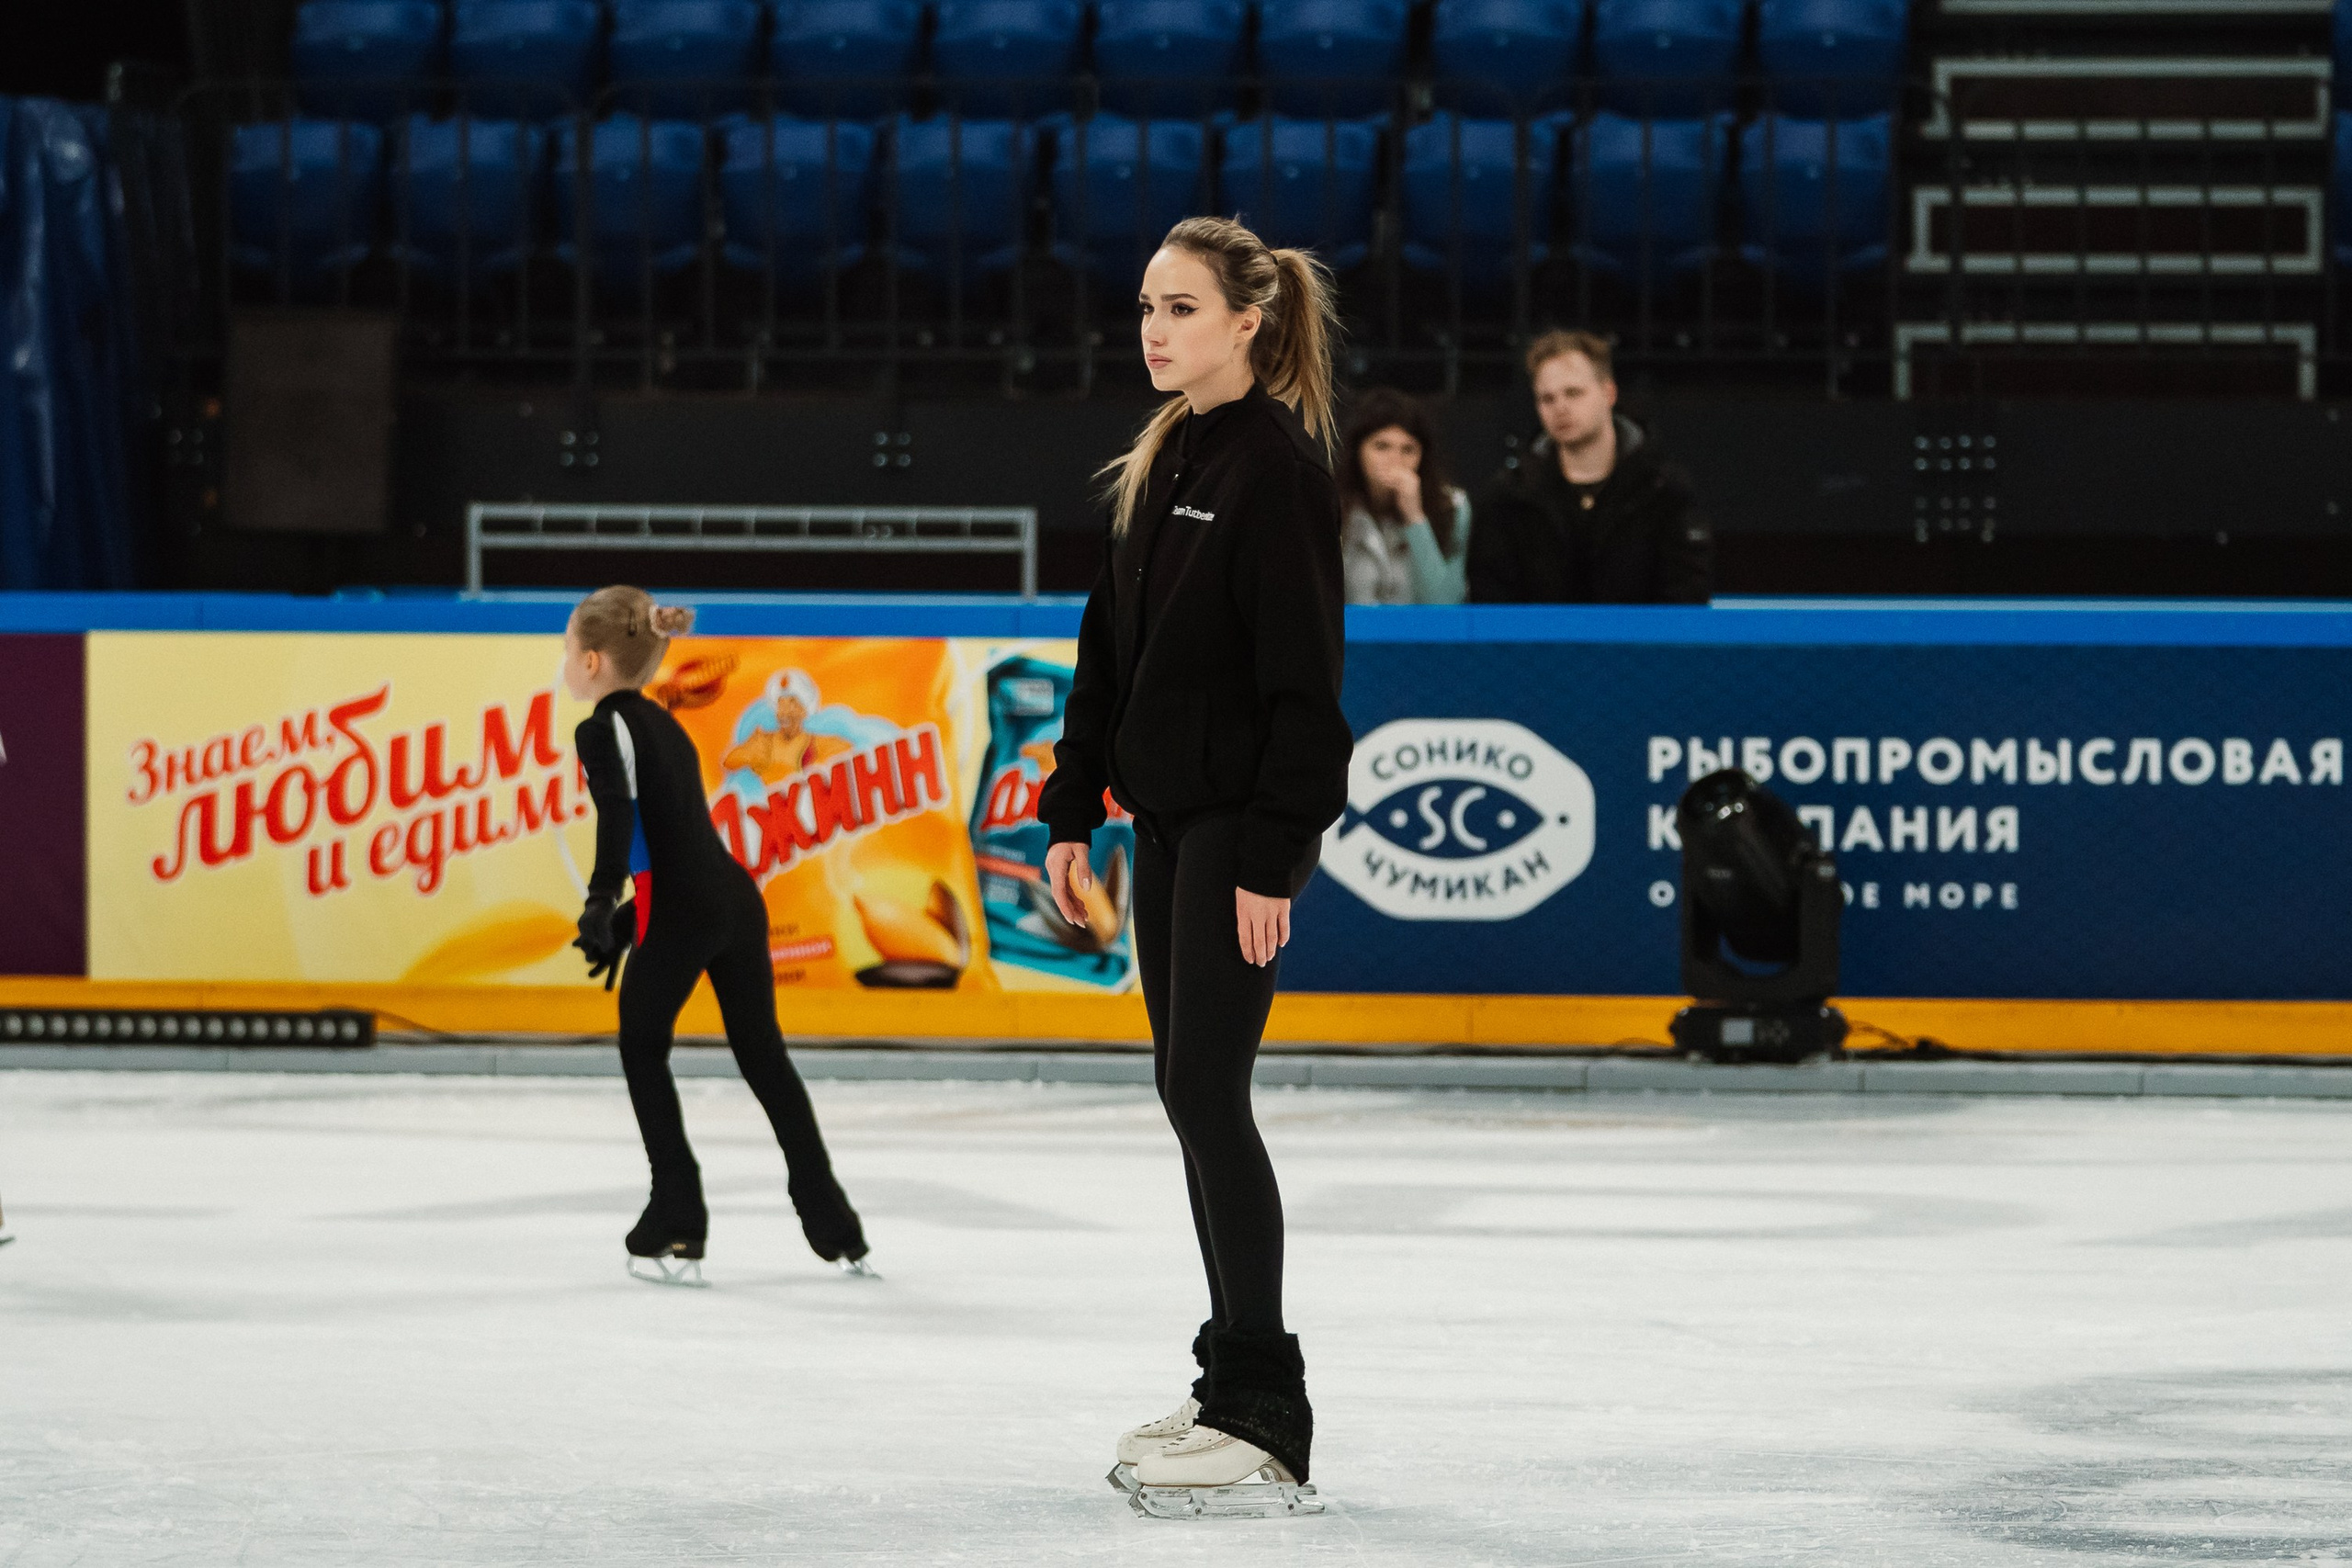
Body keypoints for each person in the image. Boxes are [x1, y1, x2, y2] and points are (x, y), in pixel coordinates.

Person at [1037, 216, 1351, 1516]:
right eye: (1147, 306)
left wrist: (1275, 856)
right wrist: (1069, 804)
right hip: (1163, 826)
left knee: (1210, 1094)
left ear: (1248, 323)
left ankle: (1267, 1410)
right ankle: (1229, 1379)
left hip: (1236, 834)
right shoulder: (1166, 453)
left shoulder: (1275, 468)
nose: (1154, 328)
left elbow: (1305, 684)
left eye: (1180, 307)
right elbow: (1107, 649)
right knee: (1184, 1089)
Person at [562, 587, 873, 1286]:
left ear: (590, 660)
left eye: (565, 651)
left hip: (684, 906)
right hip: (732, 898)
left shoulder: (601, 727)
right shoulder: (665, 725)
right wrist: (621, 922)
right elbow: (675, 834)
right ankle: (836, 1223)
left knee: (643, 1046)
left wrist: (600, 899)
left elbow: (621, 820)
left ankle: (677, 1211)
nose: (564, 663)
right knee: (763, 1056)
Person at [1469, 330, 1713, 604]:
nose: (1560, 408)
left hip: (1639, 645)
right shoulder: (1508, 497)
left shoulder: (1664, 491)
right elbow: (1491, 603)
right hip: (1540, 645)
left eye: (1573, 393)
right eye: (1547, 399)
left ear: (1608, 393)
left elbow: (1686, 599)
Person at [1335, 387, 1472, 605]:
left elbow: (1445, 606)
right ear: (1358, 451)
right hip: (1351, 637)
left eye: (1408, 450)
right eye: (1381, 447)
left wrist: (1415, 517)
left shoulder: (1451, 507)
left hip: (1421, 638)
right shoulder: (1333, 505)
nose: (1395, 460)